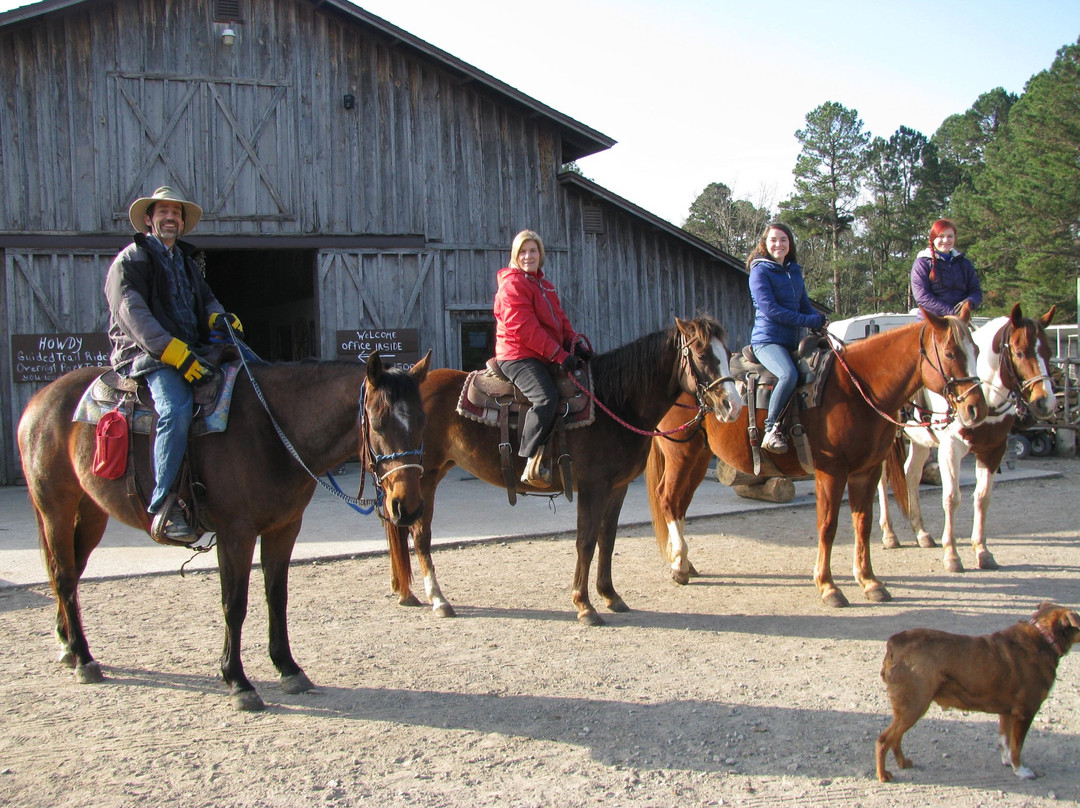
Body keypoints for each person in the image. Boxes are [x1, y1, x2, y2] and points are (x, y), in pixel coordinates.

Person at [105, 186, 243, 543]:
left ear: (182, 224)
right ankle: (164, 504)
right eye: (163, 212)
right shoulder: (130, 261)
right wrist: (172, 353)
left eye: (176, 214)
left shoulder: (185, 263)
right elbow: (133, 314)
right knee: (177, 409)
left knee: (252, 376)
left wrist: (219, 319)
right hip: (146, 356)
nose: (171, 218)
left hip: (192, 350)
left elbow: (208, 301)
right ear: (149, 220)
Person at [493, 229, 592, 487]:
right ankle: (529, 461)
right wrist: (558, 354)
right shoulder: (513, 285)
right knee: (546, 398)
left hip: (542, 354)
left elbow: (560, 319)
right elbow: (524, 328)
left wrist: (573, 343)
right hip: (518, 355)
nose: (528, 256)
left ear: (540, 254)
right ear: (515, 256)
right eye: (523, 251)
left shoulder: (544, 284)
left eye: (533, 251)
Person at [747, 222, 826, 454]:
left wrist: (819, 319)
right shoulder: (759, 271)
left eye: (783, 240)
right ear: (765, 243)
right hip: (767, 340)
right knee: (788, 374)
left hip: (792, 340)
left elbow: (804, 304)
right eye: (773, 240)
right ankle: (771, 429)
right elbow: (771, 309)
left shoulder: (794, 271)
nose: (778, 244)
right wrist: (809, 321)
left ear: (789, 244)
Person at [910, 218, 982, 318]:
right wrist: (951, 311)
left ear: (954, 238)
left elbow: (976, 291)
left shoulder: (965, 264)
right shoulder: (922, 263)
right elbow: (922, 297)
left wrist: (970, 302)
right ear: (933, 238)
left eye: (950, 236)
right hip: (933, 321)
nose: (946, 240)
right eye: (941, 236)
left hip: (960, 321)